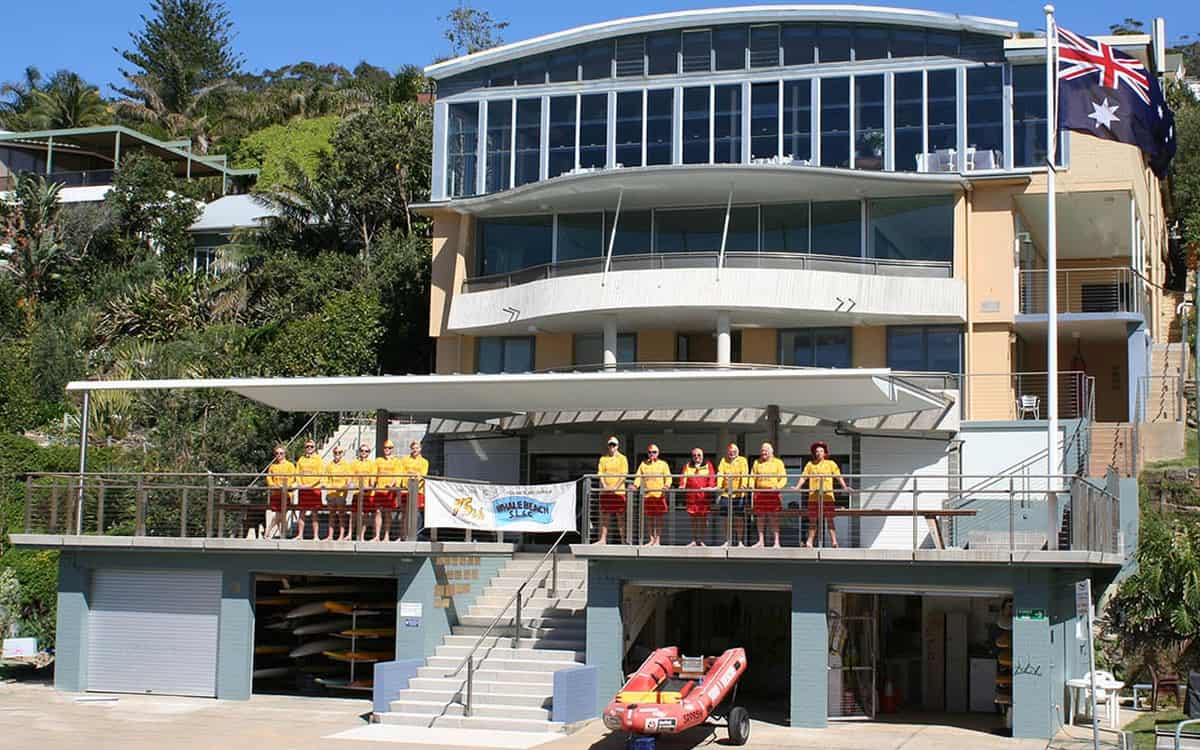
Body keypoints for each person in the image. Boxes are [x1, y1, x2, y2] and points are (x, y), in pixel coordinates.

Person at [795, 441, 850, 548]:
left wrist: (844, 487)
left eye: (821, 451)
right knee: (813, 520)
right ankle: (809, 542)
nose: (819, 453)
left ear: (825, 453)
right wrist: (797, 487)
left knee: (830, 520)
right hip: (813, 498)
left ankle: (834, 542)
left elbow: (838, 476)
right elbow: (804, 477)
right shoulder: (810, 464)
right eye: (817, 451)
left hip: (827, 497)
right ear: (814, 453)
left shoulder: (831, 464)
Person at [633, 444, 672, 545]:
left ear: (658, 453)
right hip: (647, 495)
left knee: (659, 519)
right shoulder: (643, 464)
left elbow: (668, 477)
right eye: (650, 452)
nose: (652, 454)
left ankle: (657, 540)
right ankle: (651, 539)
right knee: (649, 518)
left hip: (659, 496)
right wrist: (635, 486)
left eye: (654, 452)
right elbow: (638, 477)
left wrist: (667, 486)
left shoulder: (663, 464)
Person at [750, 442, 787, 548]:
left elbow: (783, 477)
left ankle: (776, 542)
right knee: (760, 518)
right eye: (762, 450)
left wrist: (778, 487)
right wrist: (751, 486)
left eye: (766, 450)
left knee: (774, 518)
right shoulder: (757, 462)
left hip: (773, 494)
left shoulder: (778, 462)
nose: (764, 452)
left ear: (771, 451)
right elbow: (752, 476)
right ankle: (760, 541)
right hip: (759, 493)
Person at [596, 436, 629, 544]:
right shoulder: (603, 459)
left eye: (614, 445)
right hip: (605, 492)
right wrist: (605, 486)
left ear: (617, 446)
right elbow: (600, 473)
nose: (612, 447)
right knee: (605, 516)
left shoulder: (622, 458)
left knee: (620, 517)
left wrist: (616, 486)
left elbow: (624, 474)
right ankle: (603, 539)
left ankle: (623, 540)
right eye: (610, 445)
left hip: (619, 492)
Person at [680, 448, 716, 546]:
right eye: (694, 455)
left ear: (703, 456)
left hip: (704, 497)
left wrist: (710, 486)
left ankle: (701, 540)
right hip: (691, 497)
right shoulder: (687, 466)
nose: (697, 457)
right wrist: (682, 485)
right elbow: (683, 478)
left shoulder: (708, 465)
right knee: (694, 519)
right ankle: (695, 540)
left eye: (699, 455)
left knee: (704, 519)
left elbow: (712, 478)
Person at [717, 443, 750, 546]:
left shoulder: (742, 460)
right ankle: (727, 541)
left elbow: (744, 474)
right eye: (730, 452)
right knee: (726, 519)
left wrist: (744, 485)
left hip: (739, 494)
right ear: (728, 452)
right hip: (726, 494)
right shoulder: (723, 460)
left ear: (738, 452)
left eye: (734, 451)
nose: (732, 453)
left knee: (739, 519)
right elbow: (720, 474)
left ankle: (740, 542)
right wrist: (719, 486)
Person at [397, 440, 430, 540]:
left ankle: (415, 534)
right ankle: (402, 535)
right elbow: (401, 473)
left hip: (418, 491)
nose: (415, 450)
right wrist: (401, 485)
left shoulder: (424, 462)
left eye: (417, 448)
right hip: (405, 490)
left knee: (417, 513)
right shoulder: (404, 460)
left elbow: (423, 475)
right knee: (404, 514)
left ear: (420, 449)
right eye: (413, 448)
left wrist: (413, 477)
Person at [373, 439, 404, 541]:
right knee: (378, 512)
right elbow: (374, 474)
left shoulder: (397, 461)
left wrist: (391, 485)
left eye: (389, 448)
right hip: (379, 490)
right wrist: (373, 484)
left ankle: (386, 535)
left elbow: (397, 475)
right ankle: (377, 536)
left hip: (389, 491)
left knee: (387, 513)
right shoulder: (378, 460)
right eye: (385, 448)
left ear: (392, 449)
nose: (387, 449)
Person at [294, 439, 325, 541]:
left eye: (311, 446)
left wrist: (310, 485)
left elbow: (320, 475)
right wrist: (300, 484)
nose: (309, 448)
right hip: (303, 489)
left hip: (314, 490)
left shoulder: (318, 459)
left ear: (314, 448)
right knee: (301, 512)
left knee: (314, 513)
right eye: (307, 446)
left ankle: (316, 536)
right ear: (304, 448)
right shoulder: (301, 460)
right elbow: (297, 473)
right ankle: (300, 535)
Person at [263, 445, 296, 539]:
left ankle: (268, 530)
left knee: (280, 514)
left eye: (281, 453)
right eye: (277, 453)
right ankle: (282, 533)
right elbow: (269, 477)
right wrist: (273, 485)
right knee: (279, 514)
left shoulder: (290, 465)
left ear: (285, 454)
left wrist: (285, 486)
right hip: (275, 493)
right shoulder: (272, 466)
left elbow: (293, 477)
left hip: (286, 493)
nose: (279, 455)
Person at [324, 445, 354, 541]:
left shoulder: (346, 465)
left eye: (339, 452)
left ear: (342, 454)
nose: (337, 454)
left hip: (341, 494)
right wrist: (328, 486)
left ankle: (341, 535)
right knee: (332, 515)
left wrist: (343, 487)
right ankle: (330, 536)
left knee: (341, 515)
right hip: (331, 493)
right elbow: (325, 479)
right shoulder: (329, 465)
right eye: (336, 452)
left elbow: (348, 480)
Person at [350, 443, 376, 541]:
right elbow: (351, 478)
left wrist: (370, 486)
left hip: (367, 493)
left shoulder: (371, 464)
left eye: (366, 451)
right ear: (359, 452)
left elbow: (372, 479)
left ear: (369, 453)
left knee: (365, 515)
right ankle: (350, 534)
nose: (364, 452)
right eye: (362, 450)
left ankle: (361, 535)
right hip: (357, 493)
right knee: (353, 514)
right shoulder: (354, 463)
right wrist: (352, 485)